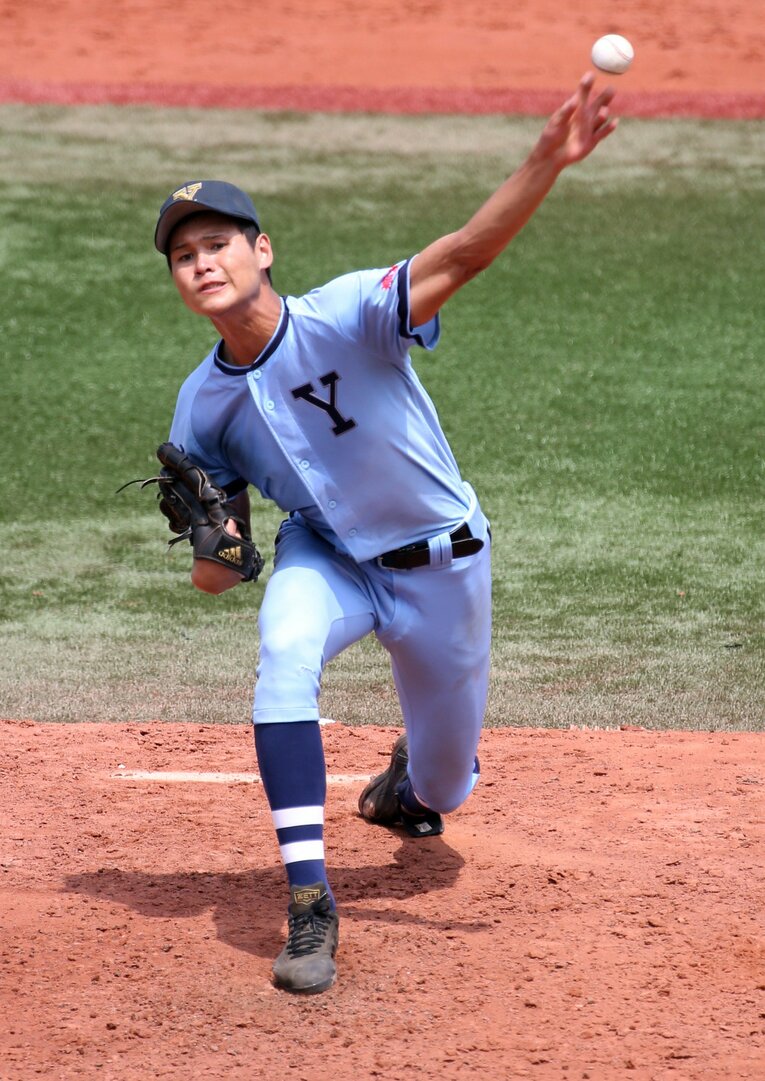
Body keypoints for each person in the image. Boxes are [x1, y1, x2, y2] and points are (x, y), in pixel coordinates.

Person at [153, 74, 617, 995]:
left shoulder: (350, 313)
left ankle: (410, 780)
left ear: (262, 250)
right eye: (183, 256)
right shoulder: (200, 406)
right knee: (282, 649)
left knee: (446, 790)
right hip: (327, 557)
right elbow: (218, 577)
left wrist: (544, 160)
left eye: (218, 244)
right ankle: (310, 902)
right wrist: (220, 544)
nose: (202, 262)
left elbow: (464, 254)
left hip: (445, 565)